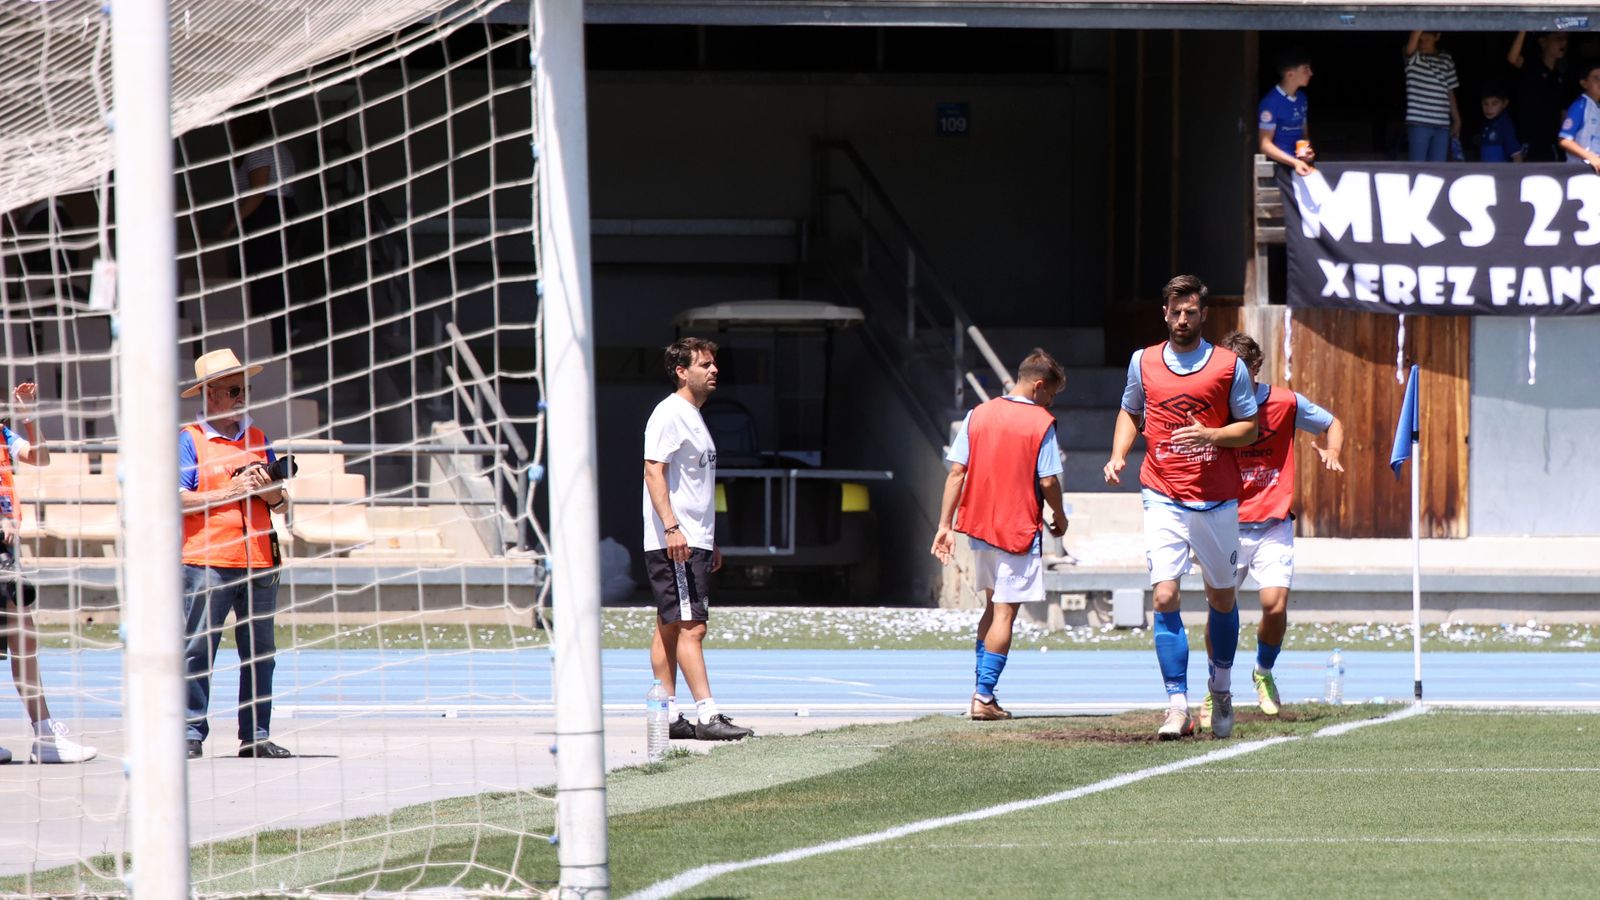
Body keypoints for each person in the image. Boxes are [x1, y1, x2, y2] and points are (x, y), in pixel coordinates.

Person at [1103, 275, 1259, 740]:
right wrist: (1118, 455)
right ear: (1165, 313)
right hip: (1162, 491)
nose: (1183, 319)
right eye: (1176, 311)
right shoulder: (1143, 361)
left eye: (1191, 311)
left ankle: (1223, 687)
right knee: (1165, 595)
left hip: (1215, 498)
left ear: (1204, 314)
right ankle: (1176, 705)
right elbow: (1131, 411)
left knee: (1221, 597)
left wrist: (1211, 434)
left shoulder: (1229, 366)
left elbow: (1248, 428)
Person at [931, 350, 1070, 721]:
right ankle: (984, 696)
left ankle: (979, 692)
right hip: (1018, 529)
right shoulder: (1040, 422)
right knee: (1006, 615)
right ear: (1039, 386)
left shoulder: (978, 413)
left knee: (992, 609)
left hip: (980, 528)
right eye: (1051, 395)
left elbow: (957, 472)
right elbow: (1048, 480)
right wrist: (1058, 515)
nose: (1050, 402)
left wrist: (944, 526)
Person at [1211, 333, 1343, 721]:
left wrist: (1332, 449)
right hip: (1226, 523)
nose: (1231, 379)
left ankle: (1263, 672)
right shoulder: (1215, 406)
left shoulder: (1285, 402)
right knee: (1221, 611)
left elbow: (1331, 423)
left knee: (1275, 604)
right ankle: (1215, 687)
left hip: (1272, 524)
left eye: (1238, 371)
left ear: (1255, 369)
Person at [180, 349, 292, 759]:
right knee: (197, 649)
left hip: (260, 559)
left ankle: (256, 735)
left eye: (245, 388)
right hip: (208, 559)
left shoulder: (260, 438)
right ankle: (190, 733)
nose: (242, 396)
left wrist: (268, 490)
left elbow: (281, 505)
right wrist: (229, 491)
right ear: (210, 394)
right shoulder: (189, 440)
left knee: (261, 653)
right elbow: (175, 500)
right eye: (233, 389)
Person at [642, 337, 753, 742]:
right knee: (692, 627)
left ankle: (667, 716)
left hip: (693, 538)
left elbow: (693, 485)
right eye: (704, 364)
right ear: (681, 371)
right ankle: (707, 715)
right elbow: (653, 471)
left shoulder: (694, 415)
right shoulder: (670, 413)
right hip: (677, 540)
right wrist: (672, 527)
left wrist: (710, 538)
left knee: (669, 627)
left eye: (713, 364)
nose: (714, 370)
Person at [0, 383, 97, 764]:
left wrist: (28, 415)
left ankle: (45, 735)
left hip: (6, 553)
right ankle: (44, 734)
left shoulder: (4, 433)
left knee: (23, 636)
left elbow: (41, 457)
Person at [219, 113, 300, 355]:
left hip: (268, 216)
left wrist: (231, 224)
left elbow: (258, 193)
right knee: (272, 280)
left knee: (264, 282)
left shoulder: (258, 149)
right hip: (281, 213)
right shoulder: (278, 147)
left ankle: (273, 339)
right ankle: (279, 333)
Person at [1507, 30, 1569, 162]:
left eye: (1565, 38)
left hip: (1552, 141)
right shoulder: (1531, 66)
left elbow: (1563, 111)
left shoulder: (1561, 75)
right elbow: (1512, 58)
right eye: (1558, 38)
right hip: (1530, 140)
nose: (1563, 42)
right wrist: (1524, 27)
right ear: (1543, 42)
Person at [1404, 31, 1461, 162]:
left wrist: (1457, 119)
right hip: (1419, 123)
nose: (1422, 44)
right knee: (1417, 166)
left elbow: (1450, 91)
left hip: (1442, 124)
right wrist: (1423, 17)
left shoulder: (1446, 59)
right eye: (1420, 40)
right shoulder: (1413, 57)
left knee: (1438, 169)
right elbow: (1411, 46)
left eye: (1427, 40)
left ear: (1437, 36)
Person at [1257, 47, 1316, 176]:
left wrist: (1306, 152)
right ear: (1290, 74)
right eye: (1306, 69)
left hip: (1300, 167)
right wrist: (1294, 162)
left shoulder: (1302, 98)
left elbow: (1304, 134)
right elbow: (1265, 144)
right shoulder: (1270, 102)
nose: (1311, 73)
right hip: (1280, 168)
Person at [1557, 59, 1600, 174]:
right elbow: (1564, 140)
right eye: (1596, 78)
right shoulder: (1580, 105)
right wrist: (1591, 157)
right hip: (1579, 172)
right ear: (1584, 83)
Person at [1479, 80, 1525, 163]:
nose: (1489, 108)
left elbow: (1517, 156)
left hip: (1501, 174)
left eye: (1494, 104)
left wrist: (1514, 175)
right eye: (1485, 104)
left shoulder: (1505, 126)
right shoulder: (1486, 125)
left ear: (1505, 103)